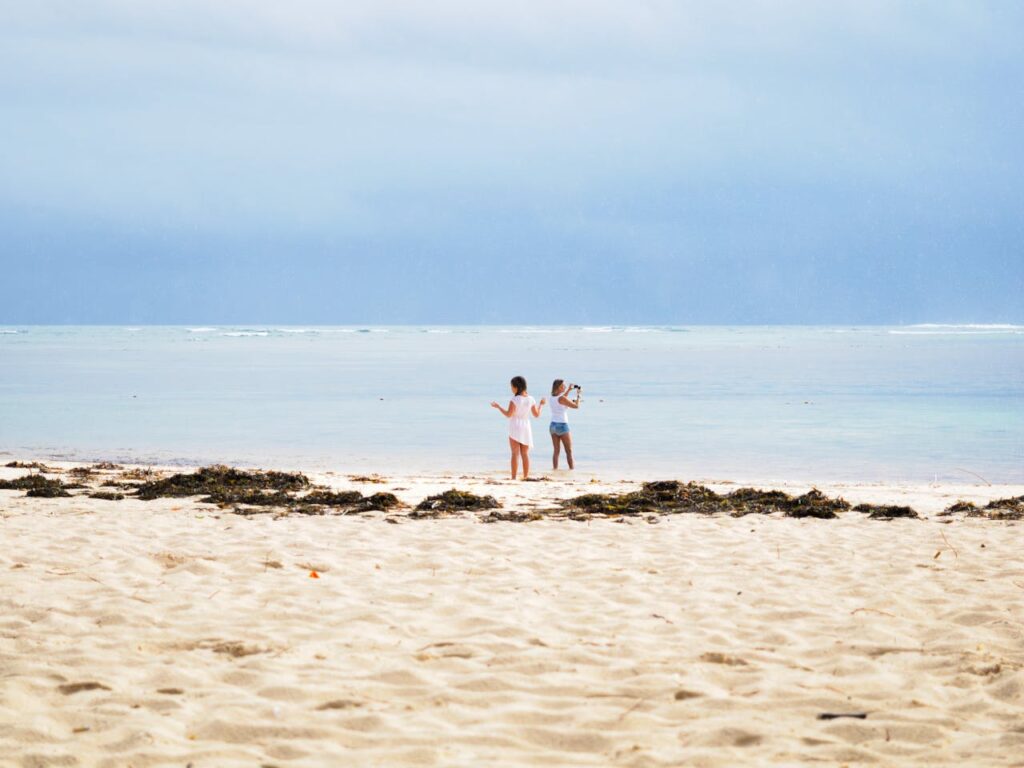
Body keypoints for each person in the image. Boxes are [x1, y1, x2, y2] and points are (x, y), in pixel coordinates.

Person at [491, 376, 545, 480]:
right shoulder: (531, 399)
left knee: (515, 453)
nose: (511, 389)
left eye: (512, 386)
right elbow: (536, 415)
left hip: (515, 426)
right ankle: (525, 476)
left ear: (516, 387)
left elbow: (508, 414)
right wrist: (541, 405)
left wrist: (498, 407)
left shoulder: (514, 399)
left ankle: (514, 477)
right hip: (526, 426)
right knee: (525, 454)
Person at [548, 379, 581, 470]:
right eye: (563, 386)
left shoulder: (552, 398)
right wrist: (579, 395)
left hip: (553, 425)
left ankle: (555, 470)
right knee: (569, 451)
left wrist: (568, 390)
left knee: (556, 451)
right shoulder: (562, 398)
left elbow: (562, 400)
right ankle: (572, 470)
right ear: (559, 387)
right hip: (562, 425)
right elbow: (576, 406)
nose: (565, 387)